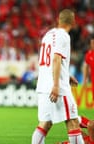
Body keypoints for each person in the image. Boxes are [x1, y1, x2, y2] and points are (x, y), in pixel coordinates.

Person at [32, 9, 84, 144]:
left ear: (58, 20)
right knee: (73, 121)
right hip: (57, 88)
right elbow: (56, 59)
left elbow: (49, 61)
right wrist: (56, 85)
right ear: (73, 23)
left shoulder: (48, 35)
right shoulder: (63, 36)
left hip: (43, 86)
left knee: (45, 124)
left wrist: (67, 75)